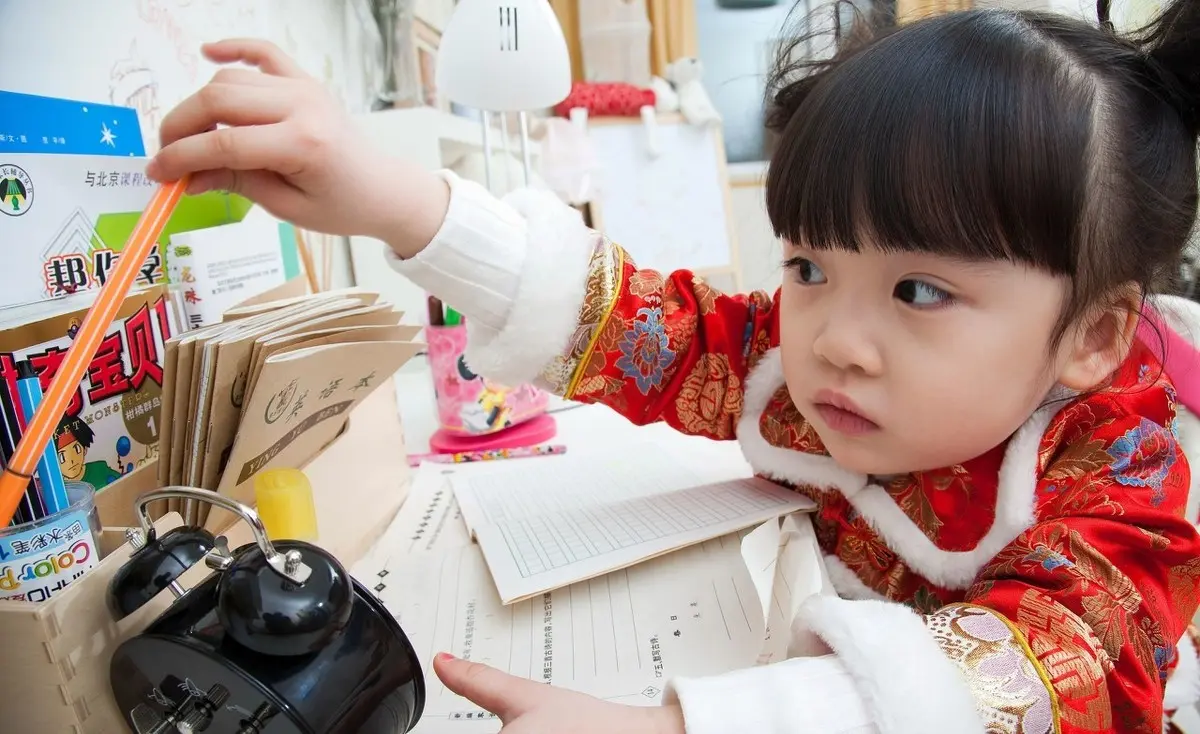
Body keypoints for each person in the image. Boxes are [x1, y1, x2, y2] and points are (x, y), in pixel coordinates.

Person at [146, 0, 1200, 730]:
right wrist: (382, 195)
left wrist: (673, 724)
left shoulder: (1123, 488)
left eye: (919, 291)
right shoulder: (802, 377)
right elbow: (637, 322)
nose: (833, 335)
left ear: (1093, 336)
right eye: (809, 264)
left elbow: (1029, 675)